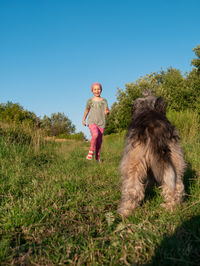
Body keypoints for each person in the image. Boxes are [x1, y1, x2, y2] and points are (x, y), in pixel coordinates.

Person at [82, 82, 109, 162]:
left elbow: (106, 111)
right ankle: (91, 151)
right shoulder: (89, 101)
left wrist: (107, 112)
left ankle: (97, 158)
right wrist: (83, 119)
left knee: (99, 142)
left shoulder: (104, 100)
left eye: (98, 89)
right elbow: (87, 110)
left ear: (101, 90)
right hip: (92, 121)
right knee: (95, 134)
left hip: (101, 123)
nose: (97, 91)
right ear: (92, 90)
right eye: (95, 89)